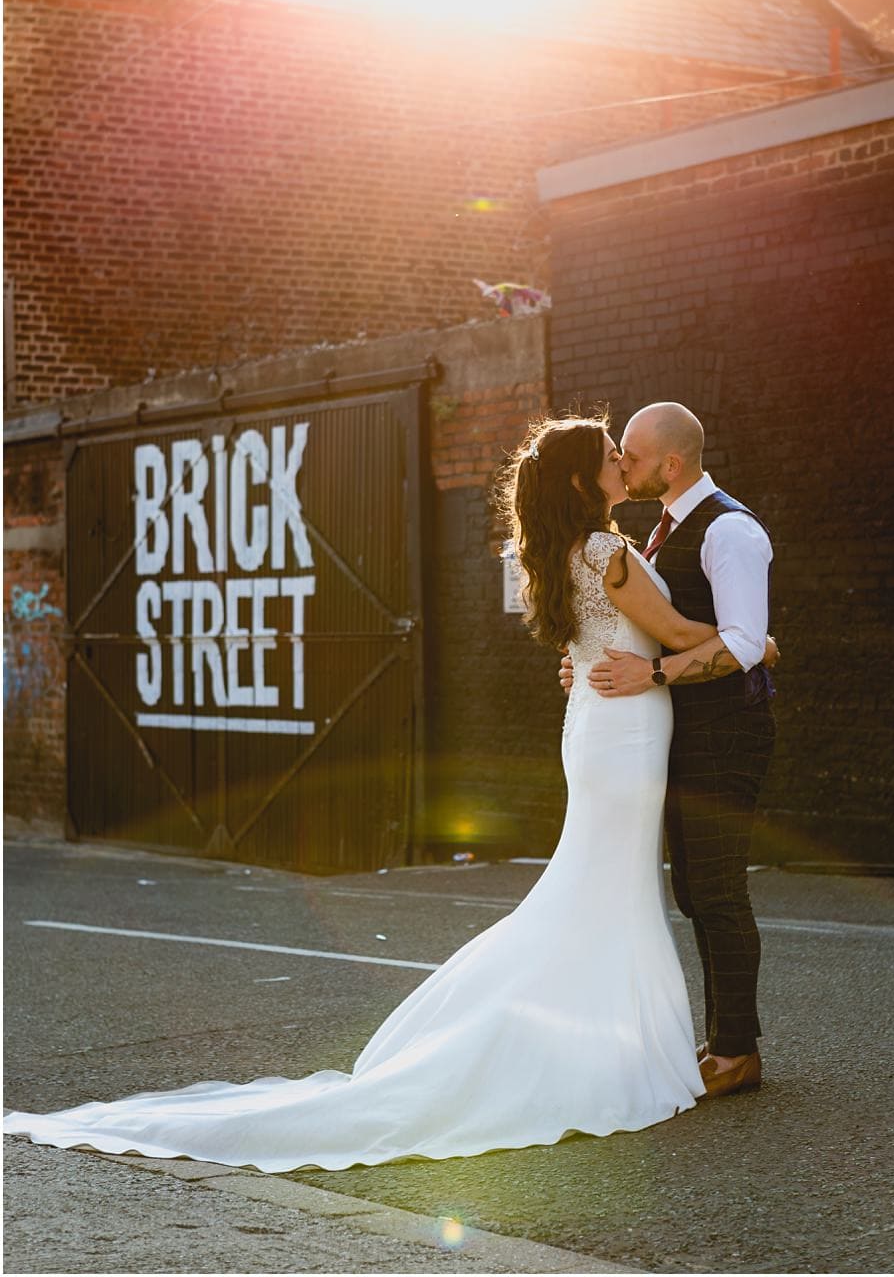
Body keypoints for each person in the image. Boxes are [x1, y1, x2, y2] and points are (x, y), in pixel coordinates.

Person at [3, 414, 753, 1172]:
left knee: (600, 885)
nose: (623, 464)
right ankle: (588, 1050)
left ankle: (600, 1042)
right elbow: (686, 634)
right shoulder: (607, 551)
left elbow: (597, 642)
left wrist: (639, 660)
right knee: (606, 887)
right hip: (622, 732)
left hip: (601, 726)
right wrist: (749, 642)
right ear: (578, 480)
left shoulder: (573, 551)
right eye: (608, 458)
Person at [560, 402, 776, 1098]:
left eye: (631, 453)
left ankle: (738, 1052)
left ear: (670, 464)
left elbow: (745, 644)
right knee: (694, 891)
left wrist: (651, 674)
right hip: (681, 733)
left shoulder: (730, 530)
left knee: (717, 889)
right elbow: (655, 626)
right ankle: (724, 1039)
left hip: (728, 733)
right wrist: (596, 659)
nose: (621, 463)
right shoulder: (658, 531)